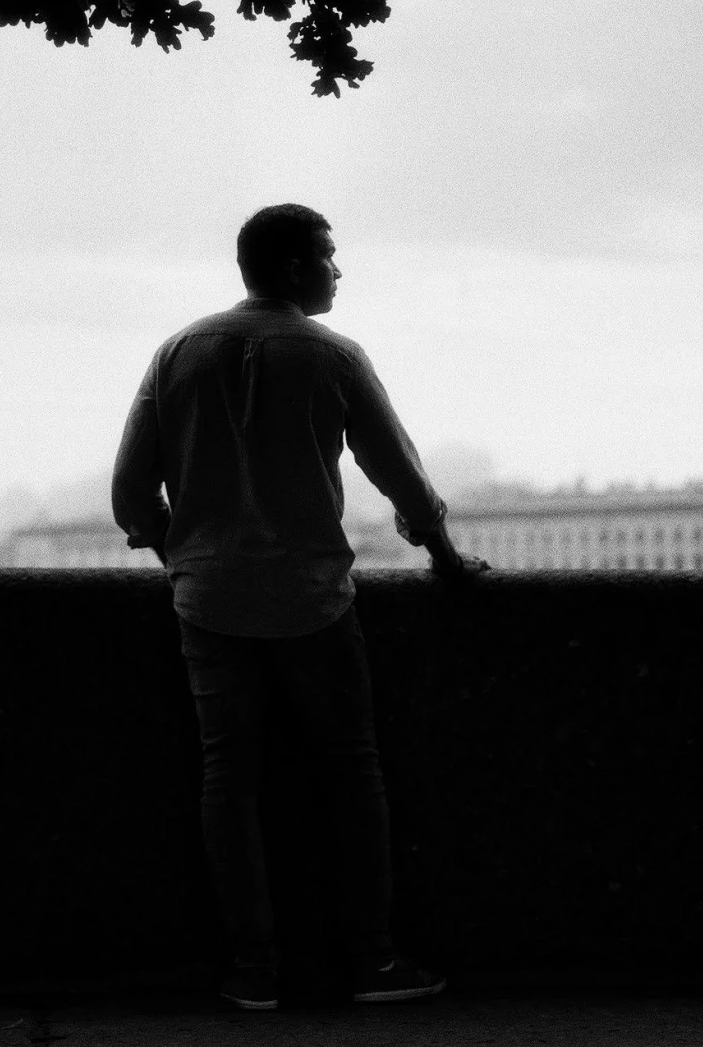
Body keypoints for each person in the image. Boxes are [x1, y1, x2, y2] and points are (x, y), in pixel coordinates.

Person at [111, 203, 489, 1012]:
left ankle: (254, 971)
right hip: (313, 602)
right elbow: (403, 480)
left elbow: (130, 496)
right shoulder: (333, 356)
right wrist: (448, 561)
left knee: (228, 781)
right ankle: (372, 961)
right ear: (292, 269)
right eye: (327, 256)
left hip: (207, 600)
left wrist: (177, 551)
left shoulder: (175, 352)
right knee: (351, 776)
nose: (336, 271)